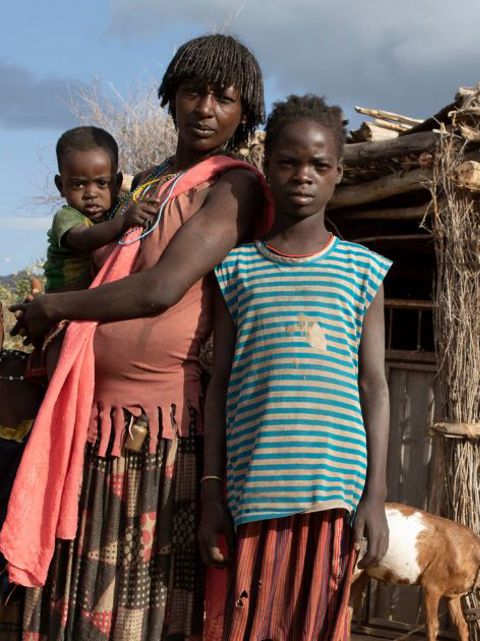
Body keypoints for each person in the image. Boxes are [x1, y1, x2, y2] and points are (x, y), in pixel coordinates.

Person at [3, 34, 270, 641]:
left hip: (157, 431)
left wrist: (55, 306)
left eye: (223, 98)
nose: (205, 108)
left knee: (137, 605)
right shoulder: (145, 184)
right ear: (170, 98)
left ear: (244, 112)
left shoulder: (234, 186)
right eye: (192, 92)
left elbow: (160, 289)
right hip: (92, 418)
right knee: (75, 586)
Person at [200, 94, 390, 641]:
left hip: (334, 489)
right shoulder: (235, 270)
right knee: (251, 623)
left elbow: (374, 386)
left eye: (319, 165)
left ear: (338, 174)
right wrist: (212, 492)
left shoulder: (362, 272)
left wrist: (375, 496)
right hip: (253, 488)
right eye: (288, 162)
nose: (303, 175)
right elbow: (219, 386)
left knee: (319, 626)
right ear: (266, 166)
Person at [44, 126, 151, 294]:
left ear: (116, 184)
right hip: (64, 298)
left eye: (102, 183)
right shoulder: (67, 217)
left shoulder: (118, 206)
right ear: (60, 186)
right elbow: (83, 239)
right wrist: (123, 222)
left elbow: (137, 193)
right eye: (78, 184)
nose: (91, 194)